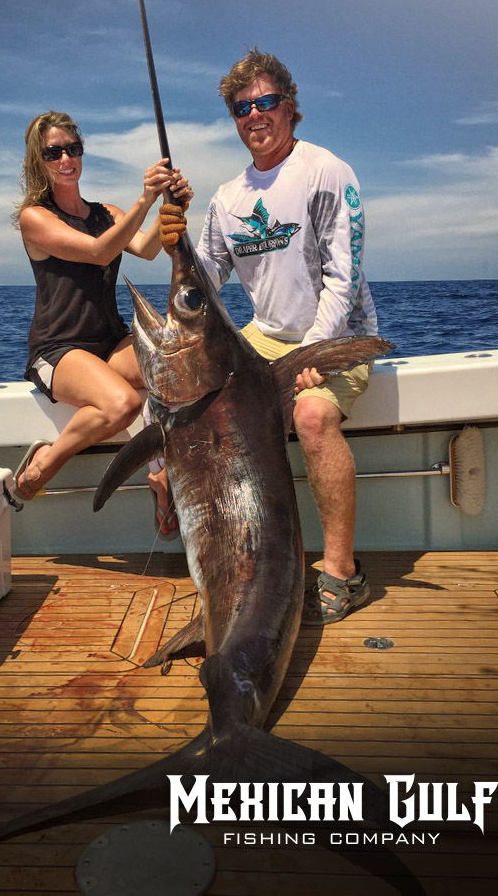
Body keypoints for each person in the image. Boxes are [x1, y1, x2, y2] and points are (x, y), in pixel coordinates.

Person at [162, 49, 379, 622]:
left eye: (266, 102)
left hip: (337, 333)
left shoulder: (326, 171)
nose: (255, 115)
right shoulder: (228, 199)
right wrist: (173, 241)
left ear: (290, 106)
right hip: (264, 337)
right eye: (242, 108)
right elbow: (202, 284)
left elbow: (344, 276)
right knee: (180, 400)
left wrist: (314, 351)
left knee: (310, 416)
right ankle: (222, 547)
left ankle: (341, 571)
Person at [15, 110, 192, 539]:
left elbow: (147, 249)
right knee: (121, 405)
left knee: (180, 372)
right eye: (53, 152)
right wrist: (145, 200)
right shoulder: (34, 218)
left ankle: (161, 475)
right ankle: (48, 461)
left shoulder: (106, 212)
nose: (65, 159)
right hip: (58, 349)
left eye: (72, 149)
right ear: (38, 160)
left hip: (109, 340)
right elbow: (98, 251)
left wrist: (174, 206)